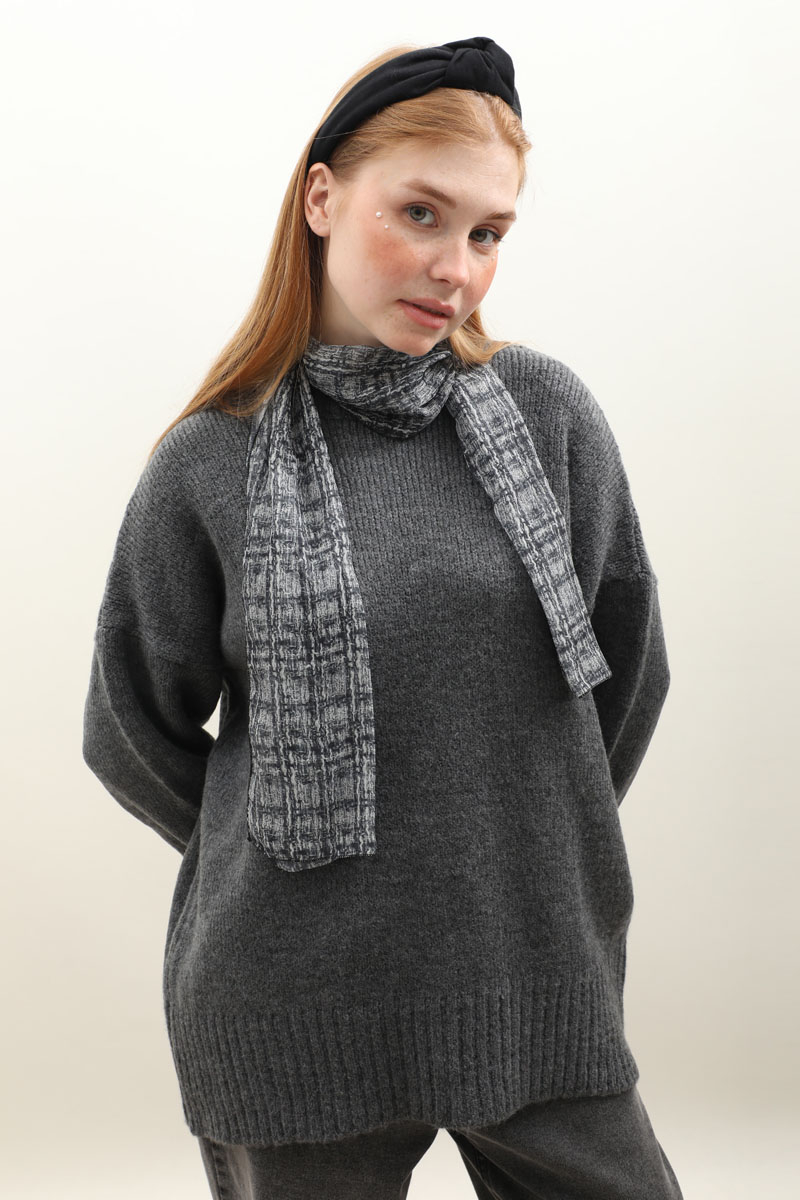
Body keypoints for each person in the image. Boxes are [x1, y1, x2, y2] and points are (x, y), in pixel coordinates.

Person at [82, 35, 684, 1200]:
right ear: (321, 197)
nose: (454, 267)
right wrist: (272, 848)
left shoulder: (546, 415)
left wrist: (515, 833)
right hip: (290, 1002)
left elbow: (629, 671)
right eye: (419, 213)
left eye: (487, 233)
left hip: (531, 972)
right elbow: (126, 728)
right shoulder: (208, 462)